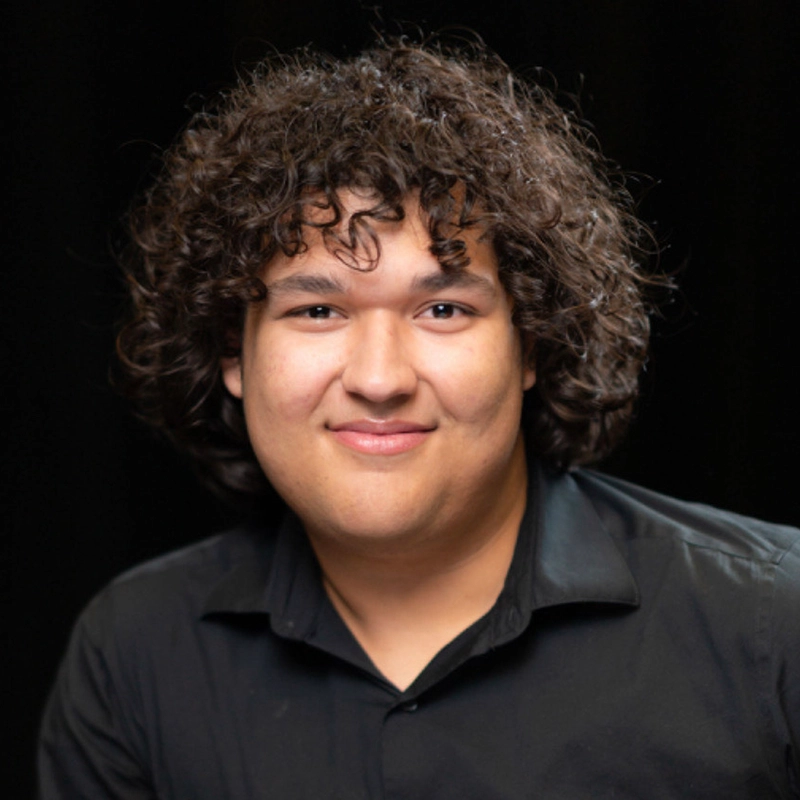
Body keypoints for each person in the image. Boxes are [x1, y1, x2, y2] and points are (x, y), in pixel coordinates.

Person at [38, 39, 799, 798]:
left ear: (532, 344)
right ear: (231, 354)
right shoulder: (133, 655)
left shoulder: (774, 628)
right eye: (317, 309)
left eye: (443, 308)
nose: (379, 378)